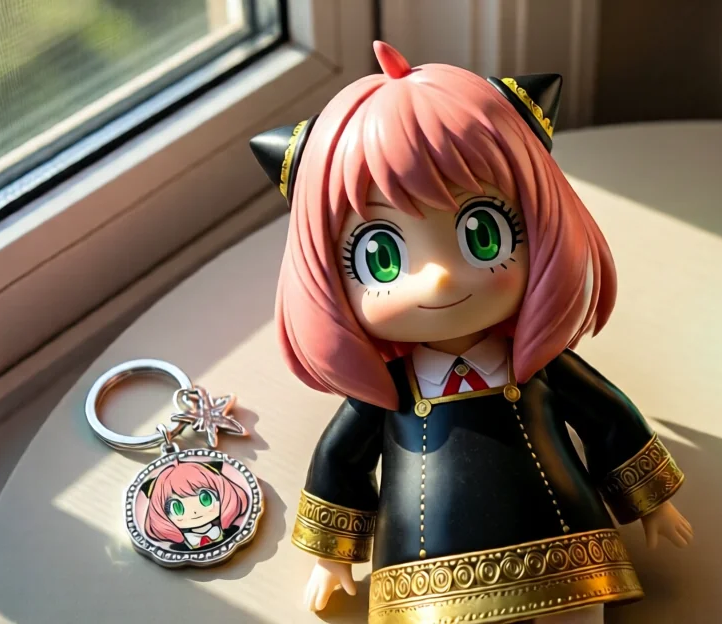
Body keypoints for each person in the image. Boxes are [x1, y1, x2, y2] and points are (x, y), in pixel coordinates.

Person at [250, 41, 692, 623]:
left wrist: (652, 503)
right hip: (427, 569)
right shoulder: (390, 391)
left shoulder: (536, 368)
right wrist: (332, 557)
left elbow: (608, 417)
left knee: (577, 613)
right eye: (381, 256)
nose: (438, 277)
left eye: (483, 235)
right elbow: (341, 461)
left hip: (563, 544)